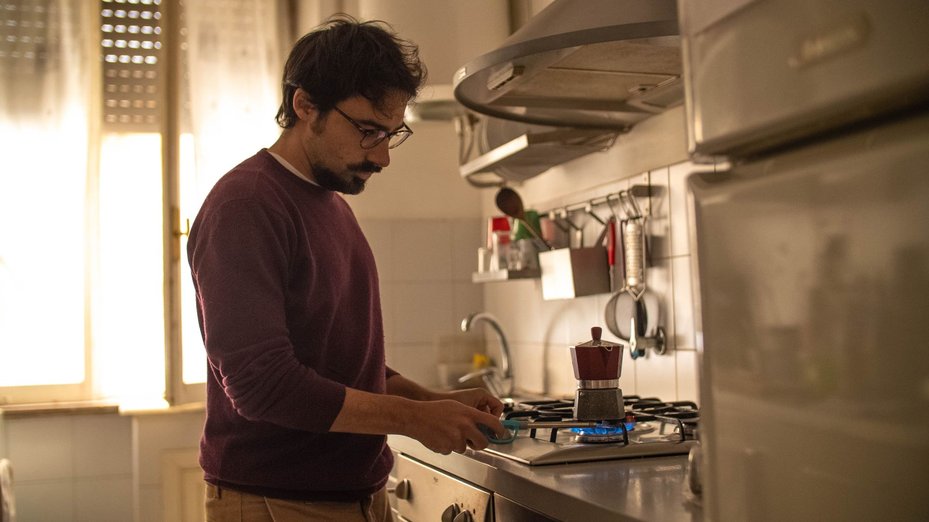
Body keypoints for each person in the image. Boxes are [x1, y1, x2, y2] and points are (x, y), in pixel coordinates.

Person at [187, 16, 507, 522]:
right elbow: (261, 384)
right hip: (279, 500)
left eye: (391, 134)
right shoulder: (246, 205)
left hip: (351, 494)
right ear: (304, 104)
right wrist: (414, 418)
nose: (381, 157)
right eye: (367, 131)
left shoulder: (330, 204)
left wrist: (431, 400)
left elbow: (337, 366)